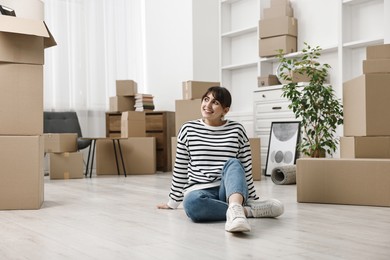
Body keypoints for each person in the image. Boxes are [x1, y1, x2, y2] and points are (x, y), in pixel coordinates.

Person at [157, 86, 284, 232]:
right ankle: (246, 212)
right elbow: (180, 168)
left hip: (230, 189)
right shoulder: (188, 129)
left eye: (215, 102)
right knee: (191, 204)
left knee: (234, 163)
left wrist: (252, 198)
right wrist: (173, 202)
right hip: (200, 190)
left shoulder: (237, 130)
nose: (208, 105)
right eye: (206, 100)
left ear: (225, 110)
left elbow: (246, 167)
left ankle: (238, 207)